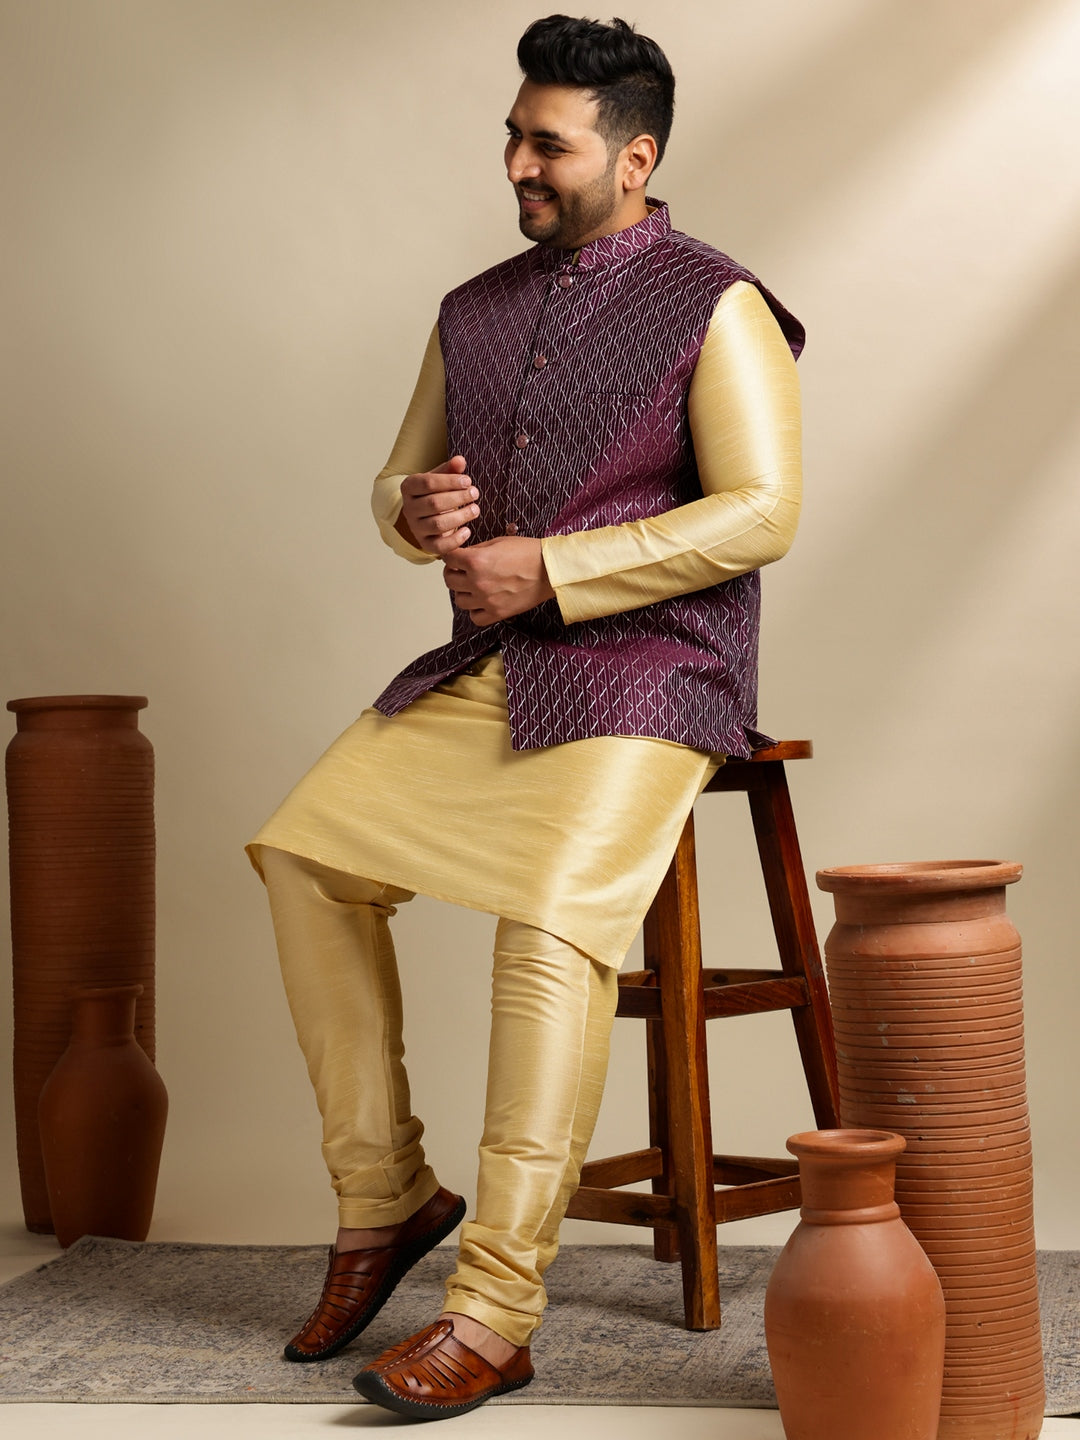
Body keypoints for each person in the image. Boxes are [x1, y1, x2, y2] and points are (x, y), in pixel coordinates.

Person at [247, 13, 803, 1421]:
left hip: (655, 671)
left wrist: (554, 567)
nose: (516, 164)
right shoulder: (474, 310)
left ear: (636, 158)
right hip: (492, 667)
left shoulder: (716, 300)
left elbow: (762, 511)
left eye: (546, 144)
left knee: (549, 924)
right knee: (303, 855)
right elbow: (397, 483)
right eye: (512, 136)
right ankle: (386, 1195)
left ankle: (495, 1311)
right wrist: (415, 510)